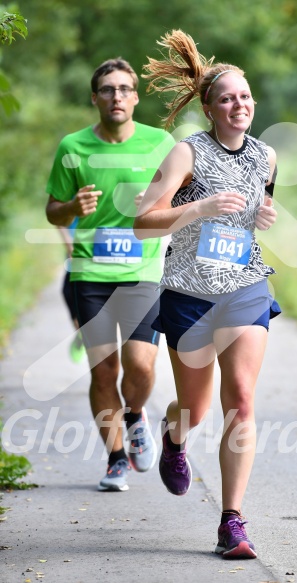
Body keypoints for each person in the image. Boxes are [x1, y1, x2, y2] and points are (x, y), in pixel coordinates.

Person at [134, 30, 280, 559]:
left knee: (240, 397)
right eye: (227, 98)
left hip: (244, 286)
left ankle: (232, 521)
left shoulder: (266, 157)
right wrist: (195, 209)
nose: (238, 104)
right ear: (210, 108)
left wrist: (264, 216)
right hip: (190, 293)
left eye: (244, 96)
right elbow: (143, 223)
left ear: (253, 103)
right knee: (194, 411)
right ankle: (175, 437)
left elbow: (252, 217)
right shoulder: (186, 152)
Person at [45, 57, 175, 492]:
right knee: (104, 372)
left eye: (124, 89)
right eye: (107, 89)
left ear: (136, 98)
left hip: (143, 271)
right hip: (91, 274)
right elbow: (52, 211)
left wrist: (156, 201)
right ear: (95, 97)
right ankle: (116, 457)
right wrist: (70, 209)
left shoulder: (161, 143)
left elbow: (184, 203)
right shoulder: (73, 147)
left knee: (139, 365)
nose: (116, 96)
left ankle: (136, 414)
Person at [57, 221, 86, 364]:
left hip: (94, 252)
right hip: (74, 253)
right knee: (68, 292)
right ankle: (81, 331)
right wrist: (69, 244)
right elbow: (59, 221)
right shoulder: (70, 198)